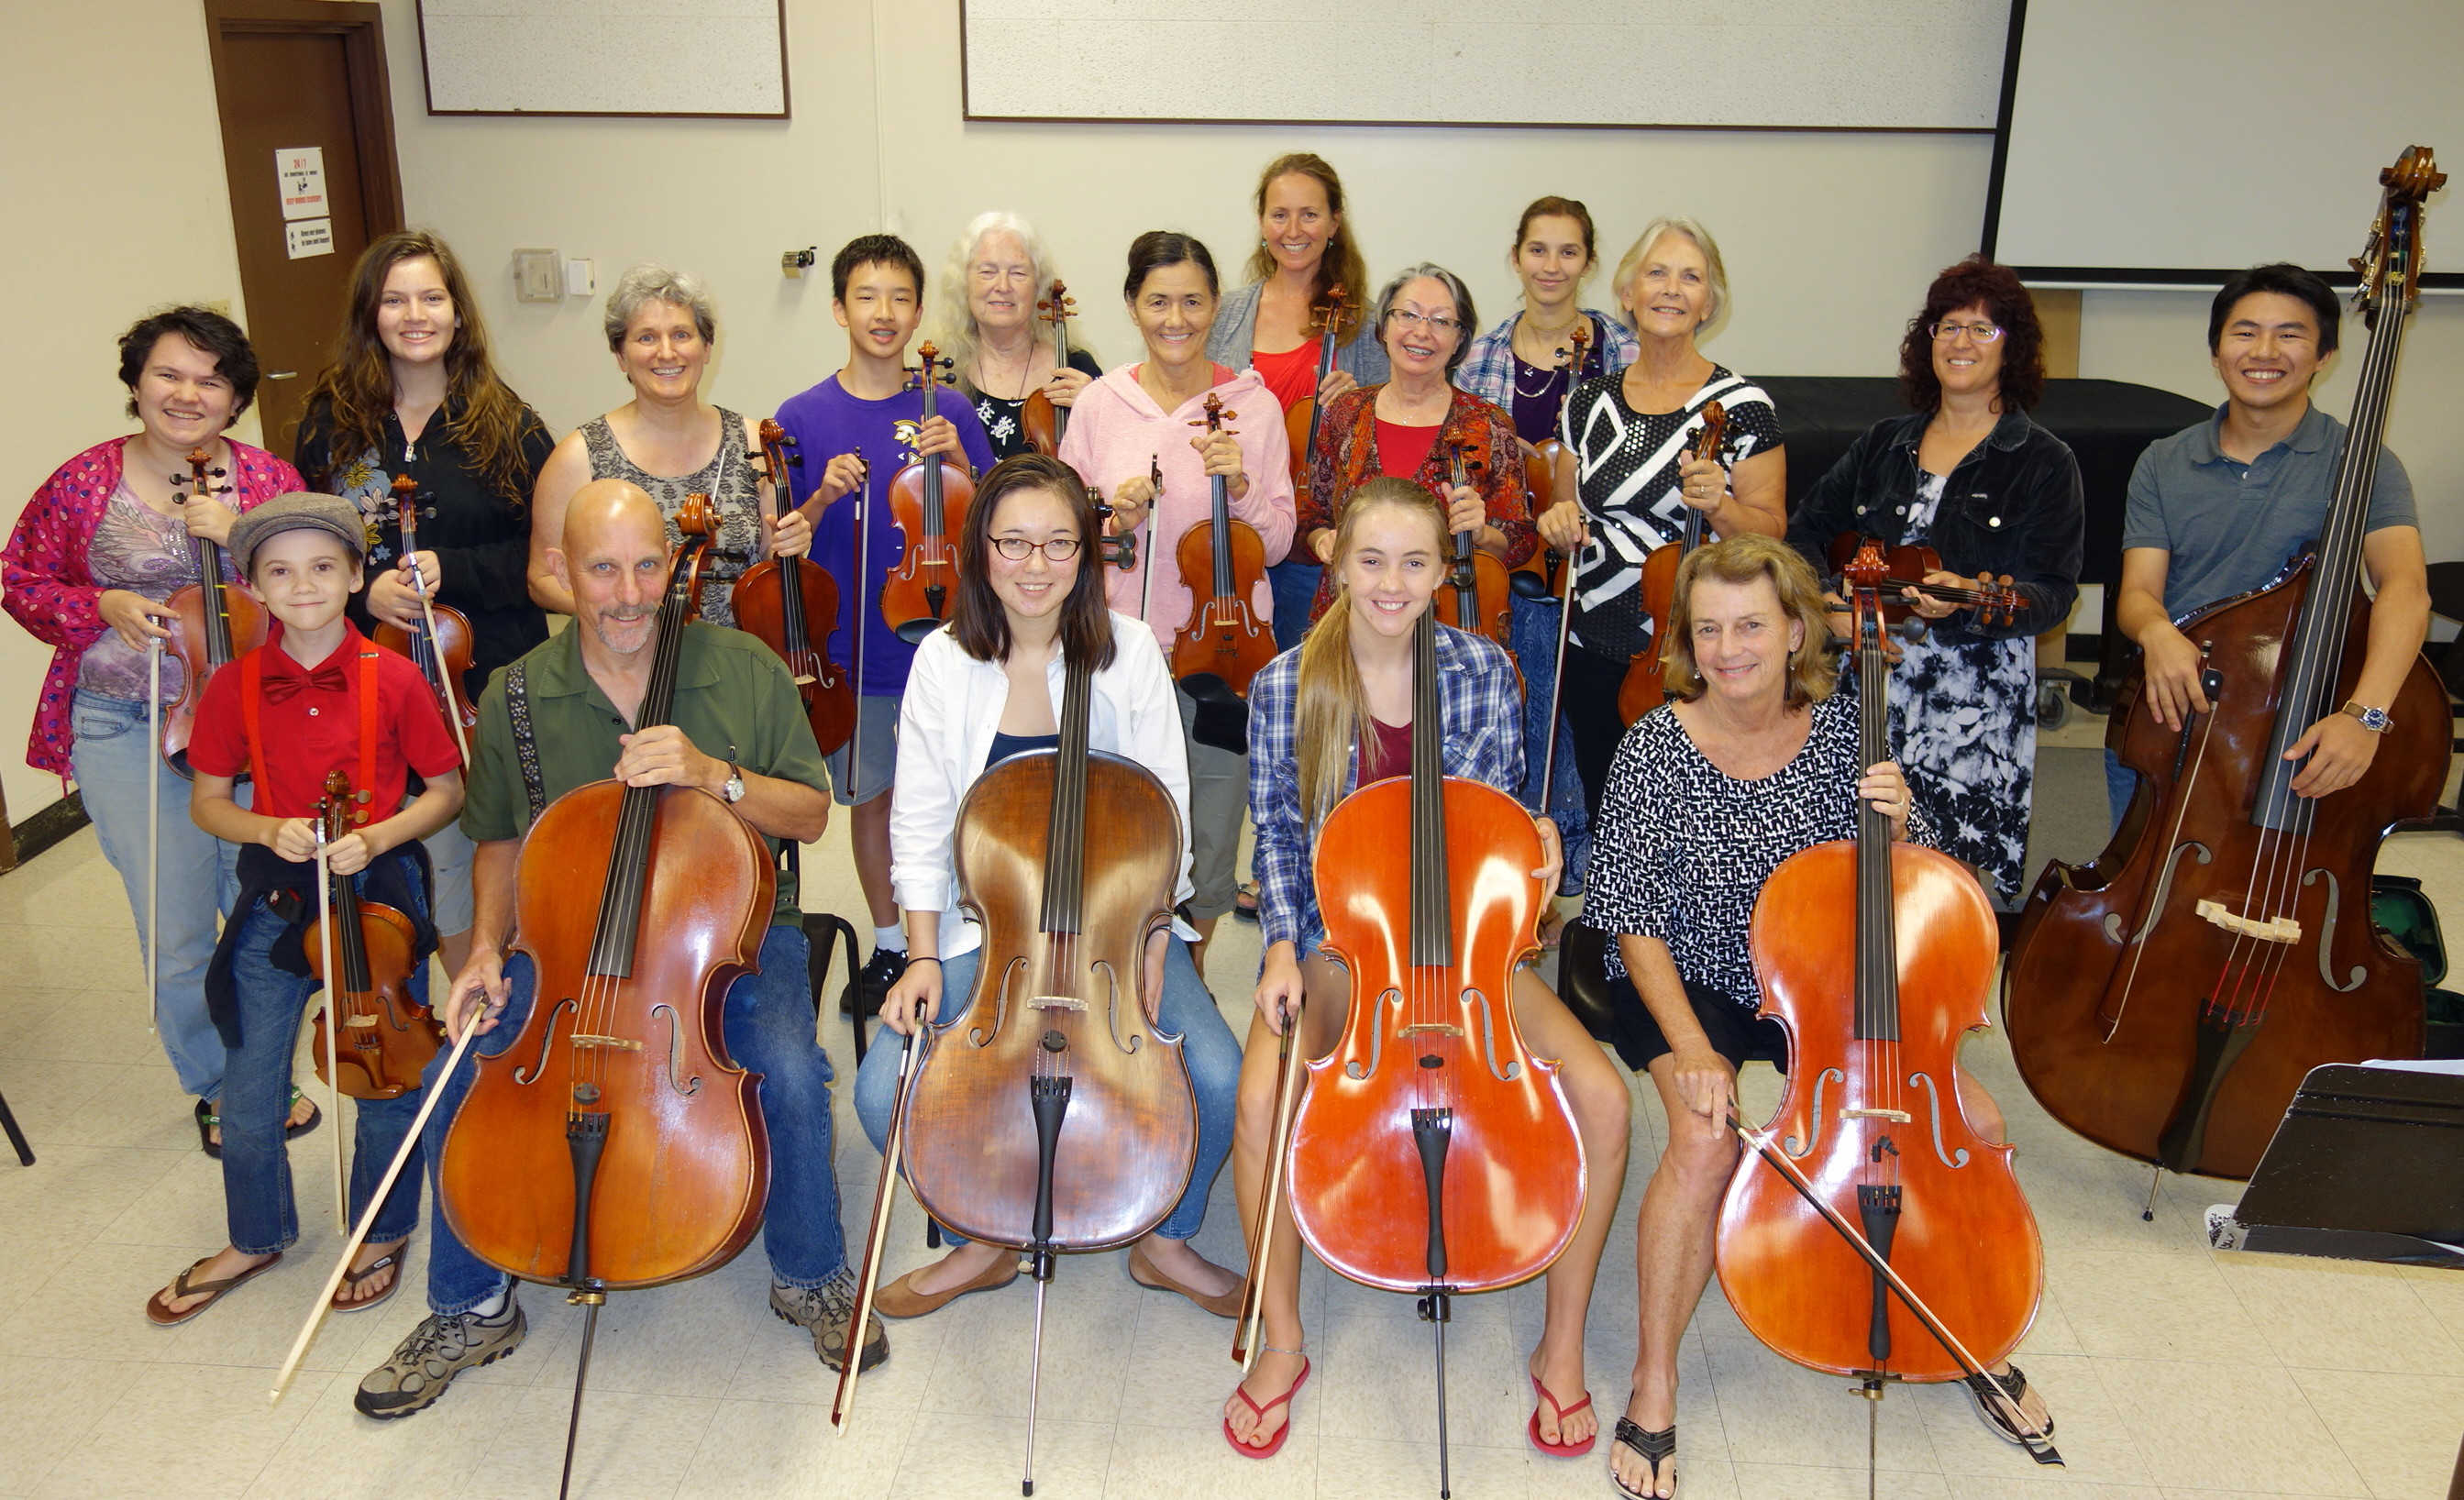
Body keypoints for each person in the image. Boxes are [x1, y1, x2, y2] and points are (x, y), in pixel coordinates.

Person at [355, 480, 869, 1418]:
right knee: (459, 1070)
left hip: (732, 932)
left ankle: (810, 1274)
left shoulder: (745, 667)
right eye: (602, 569)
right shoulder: (517, 692)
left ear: (672, 566)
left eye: (645, 567)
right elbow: (500, 839)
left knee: (792, 1072)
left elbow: (808, 813)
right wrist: (484, 951)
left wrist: (712, 775)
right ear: (560, 570)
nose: (629, 594)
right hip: (567, 938)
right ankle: (468, 1307)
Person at [1580, 535, 2052, 1499]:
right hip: (1692, 973)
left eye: (1749, 626)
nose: (1728, 649)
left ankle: (1968, 1332)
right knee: (1703, 1138)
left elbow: (1917, 891)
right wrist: (1692, 1048)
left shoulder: (1848, 731)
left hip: (1820, 976)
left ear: (1795, 630)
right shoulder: (1652, 747)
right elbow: (1630, 920)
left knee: (1970, 1121)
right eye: (1707, 630)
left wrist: (1901, 824)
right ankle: (1654, 1380)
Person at [1227, 478, 1630, 1461]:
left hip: (1464, 946)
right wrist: (1279, 945)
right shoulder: (1285, 682)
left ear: (1443, 570)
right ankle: (1280, 1337)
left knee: (1604, 1100)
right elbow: (1277, 832)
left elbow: (1488, 825)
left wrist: (1531, 842)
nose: (1391, 583)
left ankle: (1561, 1342)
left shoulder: (1482, 668)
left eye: (1415, 563)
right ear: (1336, 566)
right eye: (1371, 560)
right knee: (1260, 1098)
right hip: (1342, 940)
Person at [852, 453, 1243, 1318]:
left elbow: (1166, 815)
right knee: (882, 1092)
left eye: (1059, 543)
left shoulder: (1129, 652)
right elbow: (920, 821)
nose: (1036, 565)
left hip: (1116, 922)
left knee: (1217, 1076)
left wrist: (1153, 940)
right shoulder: (943, 661)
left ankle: (1163, 1239)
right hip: (985, 927)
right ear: (980, 549)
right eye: (1014, 542)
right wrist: (921, 956)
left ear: (1087, 552)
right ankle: (980, 1235)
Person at [1, 306, 320, 1152]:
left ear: (237, 398)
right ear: (136, 384)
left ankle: (267, 1069)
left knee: (262, 906)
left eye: (210, 380)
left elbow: (317, 595)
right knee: (174, 925)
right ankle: (219, 1086)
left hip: (251, 730)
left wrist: (242, 538)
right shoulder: (84, 480)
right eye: (168, 374)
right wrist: (97, 603)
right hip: (125, 725)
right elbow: (18, 578)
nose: (187, 394)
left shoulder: (269, 480)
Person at [144, 493, 465, 1324]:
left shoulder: (395, 676)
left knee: (384, 1073)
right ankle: (255, 1235)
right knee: (248, 1089)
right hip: (278, 898)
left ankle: (381, 1228)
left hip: (376, 902)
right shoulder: (233, 685)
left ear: (357, 575)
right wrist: (266, 827)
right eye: (280, 573)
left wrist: (379, 834)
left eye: (324, 567)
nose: (304, 585)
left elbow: (445, 790)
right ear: (253, 589)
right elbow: (209, 802)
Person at [294, 227, 555, 977]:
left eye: (431, 298)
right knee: (403, 858)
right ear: (369, 314)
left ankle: (500, 997)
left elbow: (544, 556)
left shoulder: (509, 424)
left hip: (488, 671)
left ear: (457, 312)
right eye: (394, 299)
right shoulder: (330, 425)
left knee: (500, 846)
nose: (415, 315)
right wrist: (362, 588)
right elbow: (304, 547)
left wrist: (455, 568)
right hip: (368, 675)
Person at [1785, 257, 2083, 903]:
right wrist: (1829, 608)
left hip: (1971, 705)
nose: (1960, 342)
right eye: (1948, 326)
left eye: (1982, 329)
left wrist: (1971, 600)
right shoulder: (1882, 443)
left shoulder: (2044, 461)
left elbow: (2052, 594)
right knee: (1843, 865)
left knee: (1944, 886)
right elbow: (1803, 534)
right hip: (1864, 678)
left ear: (2012, 346)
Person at [2110, 261, 2426, 826]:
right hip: (2177, 713)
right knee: (2142, 871)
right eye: (2246, 332)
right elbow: (2138, 592)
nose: (2264, 351)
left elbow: (2405, 589)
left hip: (2302, 714)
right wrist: (2156, 632)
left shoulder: (2364, 462)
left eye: (2290, 334)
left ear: (2324, 355)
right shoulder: (2163, 460)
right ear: (2216, 351)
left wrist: (2366, 715)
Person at [1057, 230, 1295, 975]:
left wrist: (1243, 489)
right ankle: (1116, 975)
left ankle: (1185, 982)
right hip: (1119, 652)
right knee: (1116, 827)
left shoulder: (1253, 407)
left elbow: (1278, 540)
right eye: (1158, 301)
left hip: (1222, 654)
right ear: (1133, 305)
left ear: (1215, 304)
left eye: (1192, 301)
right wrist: (1111, 520)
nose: (1176, 319)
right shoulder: (1100, 404)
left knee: (1209, 829)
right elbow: (1063, 536)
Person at [777, 233, 1000, 1009]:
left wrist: (962, 462)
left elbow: (997, 521)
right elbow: (785, 539)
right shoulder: (802, 415)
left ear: (917, 312)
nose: (884, 312)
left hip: (950, 640)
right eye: (866, 296)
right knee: (874, 799)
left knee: (960, 798)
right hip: (856, 648)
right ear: (839, 309)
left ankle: (966, 939)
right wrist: (820, 497)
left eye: (900, 297)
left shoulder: (949, 408)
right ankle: (889, 944)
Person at [1535, 216, 1786, 830]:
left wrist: (1721, 506)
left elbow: (1772, 533)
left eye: (1690, 278)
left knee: (1701, 817)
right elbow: (1564, 511)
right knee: (1607, 806)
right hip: (1593, 640)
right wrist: (1558, 521)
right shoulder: (1587, 401)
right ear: (1628, 293)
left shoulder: (1743, 406)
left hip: (1697, 646)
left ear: (1709, 303)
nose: (1672, 289)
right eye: (1657, 273)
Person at [1457, 196, 1641, 886]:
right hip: (1508, 565)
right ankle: (1526, 862)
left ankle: (1589, 870)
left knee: (1586, 721)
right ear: (1516, 257)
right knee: (1528, 709)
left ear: (1588, 262)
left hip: (1598, 568)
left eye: (1569, 251)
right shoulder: (1479, 356)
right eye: (1538, 249)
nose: (1552, 266)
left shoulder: (1623, 350)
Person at [528, 265, 812, 628]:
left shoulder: (752, 441)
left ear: (706, 347)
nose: (667, 352)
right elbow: (542, 579)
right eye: (646, 338)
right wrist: (627, 612)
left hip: (739, 655)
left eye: (681, 334)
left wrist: (792, 544)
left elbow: (769, 557)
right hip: (630, 655)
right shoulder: (578, 456)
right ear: (620, 355)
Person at [1205, 152, 1390, 652]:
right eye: (1279, 214)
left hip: (1316, 542)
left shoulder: (1367, 325)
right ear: (1262, 222)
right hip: (1237, 530)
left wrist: (1362, 404)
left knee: (1310, 677)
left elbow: (1394, 433)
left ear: (1334, 222)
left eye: (1309, 214)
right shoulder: (1225, 314)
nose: (1293, 230)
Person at [1293, 262, 1535, 623]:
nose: (1422, 332)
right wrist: (1322, 540)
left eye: (1441, 321)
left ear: (1460, 339)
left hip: (1447, 620)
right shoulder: (1346, 412)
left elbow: (1520, 541)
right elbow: (1312, 517)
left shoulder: (1488, 423)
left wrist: (1481, 532)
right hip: (1349, 616)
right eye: (1408, 315)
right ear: (1384, 327)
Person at [925, 212, 1102, 459]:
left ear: (1038, 286)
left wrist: (1098, 409)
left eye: (1018, 273)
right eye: (987, 272)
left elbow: (1111, 463)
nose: (1003, 286)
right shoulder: (940, 372)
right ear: (963, 283)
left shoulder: (1076, 367)